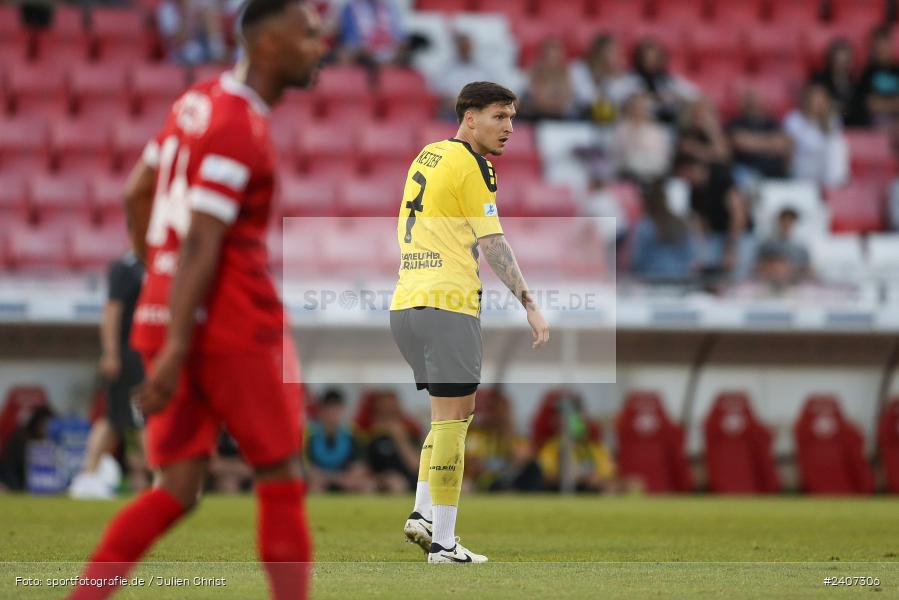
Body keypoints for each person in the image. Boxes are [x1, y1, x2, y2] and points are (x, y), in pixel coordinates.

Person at [67, 2, 325, 599]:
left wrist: (159, 277)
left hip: (167, 312)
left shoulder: (195, 101)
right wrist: (181, 345)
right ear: (267, 45)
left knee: (176, 487)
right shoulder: (241, 126)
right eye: (307, 35)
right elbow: (206, 239)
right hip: (230, 324)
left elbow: (137, 193)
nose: (319, 47)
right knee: (282, 475)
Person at [390, 81, 550, 564]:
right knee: (456, 422)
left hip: (407, 304)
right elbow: (494, 243)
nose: (509, 128)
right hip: (448, 303)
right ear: (470, 116)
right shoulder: (472, 164)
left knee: (443, 421)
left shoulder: (429, 155)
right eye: (500, 116)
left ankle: (422, 516)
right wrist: (529, 302)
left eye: (513, 118)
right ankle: (444, 542)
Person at [69, 249, 145, 500]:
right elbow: (112, 309)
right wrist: (111, 353)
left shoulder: (155, 263)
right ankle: (88, 477)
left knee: (125, 419)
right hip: (128, 354)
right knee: (119, 417)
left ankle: (90, 476)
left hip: (146, 353)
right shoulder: (126, 267)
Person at [675, 154, 755, 280]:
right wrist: (701, 251)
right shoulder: (694, 190)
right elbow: (700, 221)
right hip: (715, 235)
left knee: (737, 276)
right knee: (709, 274)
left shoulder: (722, 180)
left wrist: (730, 250)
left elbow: (738, 216)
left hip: (738, 234)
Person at [464, 389, 543, 493]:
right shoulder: (474, 435)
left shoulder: (510, 435)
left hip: (504, 477)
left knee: (533, 468)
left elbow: (525, 455)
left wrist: (506, 429)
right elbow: (470, 463)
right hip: (484, 480)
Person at [306, 389, 374, 493]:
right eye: (329, 409)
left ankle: (358, 510)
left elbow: (361, 464)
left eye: (337, 409)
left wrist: (351, 475)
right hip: (320, 479)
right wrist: (332, 478)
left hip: (346, 479)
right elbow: (305, 466)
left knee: (367, 485)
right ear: (321, 411)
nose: (333, 413)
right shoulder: (309, 435)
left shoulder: (352, 434)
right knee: (314, 484)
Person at [783, 84, 849, 188]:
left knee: (838, 143)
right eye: (813, 98)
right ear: (806, 100)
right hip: (803, 165)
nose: (815, 103)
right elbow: (789, 152)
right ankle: (833, 186)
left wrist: (823, 120)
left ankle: (834, 186)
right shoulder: (794, 119)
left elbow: (833, 145)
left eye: (820, 100)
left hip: (824, 168)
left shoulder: (832, 119)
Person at [629, 181, 697, 281]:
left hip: (653, 278)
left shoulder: (646, 226)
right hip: (679, 276)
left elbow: (638, 258)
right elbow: (689, 254)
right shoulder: (680, 223)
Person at [727, 87, 792, 188]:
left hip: (772, 173)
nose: (754, 103)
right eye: (751, 99)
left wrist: (752, 141)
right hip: (745, 171)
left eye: (757, 99)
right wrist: (770, 143)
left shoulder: (772, 123)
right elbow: (740, 142)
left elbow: (782, 144)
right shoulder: (736, 122)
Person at [621, 38, 698, 123]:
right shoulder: (630, 80)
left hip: (670, 123)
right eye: (647, 57)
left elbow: (694, 95)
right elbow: (621, 96)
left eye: (655, 57)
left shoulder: (669, 80)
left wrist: (674, 96)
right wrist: (652, 98)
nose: (651, 61)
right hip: (643, 124)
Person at [363, 390, 421, 493]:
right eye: (384, 410)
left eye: (392, 409)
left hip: (409, 482)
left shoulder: (411, 431)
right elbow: (364, 470)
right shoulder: (371, 436)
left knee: (398, 485)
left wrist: (400, 438)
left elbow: (417, 467)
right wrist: (382, 479)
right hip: (380, 482)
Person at [569, 33, 631, 124]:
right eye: (612, 52)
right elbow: (585, 101)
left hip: (607, 124)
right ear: (598, 53)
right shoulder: (577, 70)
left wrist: (616, 79)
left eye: (617, 53)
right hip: (575, 122)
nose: (617, 57)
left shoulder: (618, 78)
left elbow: (620, 101)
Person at [612, 92, 673, 183]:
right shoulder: (621, 128)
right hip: (627, 175)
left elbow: (664, 158)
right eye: (635, 107)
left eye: (642, 107)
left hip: (654, 175)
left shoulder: (658, 130)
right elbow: (617, 154)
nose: (639, 110)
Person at [852, 27, 899, 127]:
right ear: (873, 48)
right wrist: (893, 104)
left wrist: (881, 104)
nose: (882, 49)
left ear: (891, 46)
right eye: (879, 46)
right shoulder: (867, 73)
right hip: (875, 124)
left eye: (885, 45)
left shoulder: (897, 71)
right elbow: (869, 104)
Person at [519, 38, 577, 120]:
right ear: (543, 56)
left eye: (555, 57)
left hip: (561, 117)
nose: (552, 61)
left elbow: (566, 100)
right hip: (536, 118)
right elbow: (538, 100)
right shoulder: (533, 73)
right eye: (549, 56)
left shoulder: (566, 74)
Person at [336, 0, 405, 67]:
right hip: (362, 56)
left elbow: (399, 37)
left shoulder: (390, 7)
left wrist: (393, 51)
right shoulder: (350, 9)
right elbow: (350, 40)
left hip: (391, 55)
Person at [755, 207, 811, 287]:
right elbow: (758, 266)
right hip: (768, 286)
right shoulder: (768, 245)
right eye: (784, 220)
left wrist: (791, 269)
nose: (787, 224)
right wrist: (774, 267)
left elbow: (807, 270)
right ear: (779, 221)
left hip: (794, 287)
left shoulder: (801, 248)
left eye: (790, 221)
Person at [812, 39, 858, 124]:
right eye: (838, 61)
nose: (842, 66)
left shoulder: (855, 82)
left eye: (845, 62)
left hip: (852, 126)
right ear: (831, 60)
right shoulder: (821, 81)